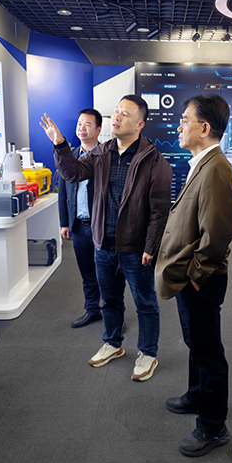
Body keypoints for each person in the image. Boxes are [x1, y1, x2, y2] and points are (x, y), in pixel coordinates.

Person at [40, 95, 172, 382]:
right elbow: (72, 173)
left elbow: (159, 211)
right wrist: (59, 144)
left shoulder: (153, 160)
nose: (117, 117)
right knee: (110, 301)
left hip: (136, 248)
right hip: (103, 244)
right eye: (116, 111)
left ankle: (148, 352)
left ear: (140, 124)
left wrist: (151, 246)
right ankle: (113, 343)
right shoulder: (101, 153)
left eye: (125, 114)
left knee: (145, 303)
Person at [155, 94, 232, 457]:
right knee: (196, 343)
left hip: (201, 279)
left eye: (184, 120)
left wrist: (196, 275)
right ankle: (196, 395)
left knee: (208, 353)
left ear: (204, 128)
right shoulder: (202, 164)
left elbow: (217, 234)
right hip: (191, 276)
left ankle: (213, 425)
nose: (178, 126)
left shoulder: (216, 169)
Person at [58, 108, 103, 328]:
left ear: (98, 129)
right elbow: (63, 192)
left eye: (87, 124)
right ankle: (92, 310)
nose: (82, 128)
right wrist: (64, 223)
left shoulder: (107, 156)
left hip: (101, 227)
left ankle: (114, 315)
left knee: (108, 275)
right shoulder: (69, 156)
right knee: (87, 273)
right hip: (78, 226)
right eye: (79, 124)